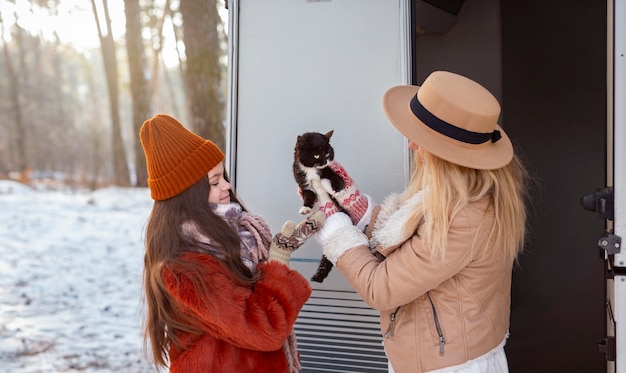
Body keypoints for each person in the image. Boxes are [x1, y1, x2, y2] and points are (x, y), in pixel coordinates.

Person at [312, 71, 529, 372]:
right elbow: (413, 249)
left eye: (421, 137)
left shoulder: (464, 217)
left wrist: (337, 231)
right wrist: (356, 206)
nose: (412, 145)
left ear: (447, 154)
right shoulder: (460, 198)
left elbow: (381, 287)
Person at [139, 114, 324, 372]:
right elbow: (264, 328)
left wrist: (277, 252)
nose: (227, 186)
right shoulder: (185, 268)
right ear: (188, 196)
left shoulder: (234, 237)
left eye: (222, 176)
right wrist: (278, 264)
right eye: (215, 182)